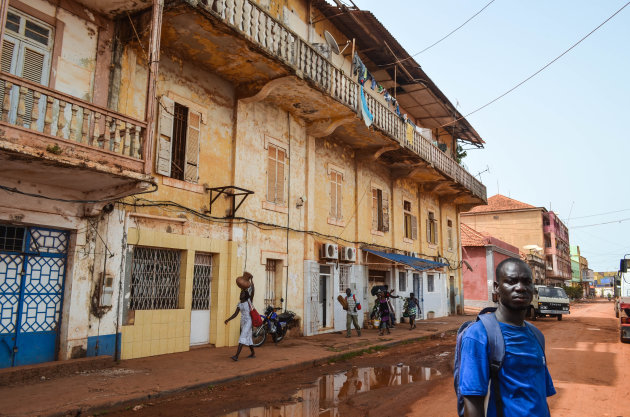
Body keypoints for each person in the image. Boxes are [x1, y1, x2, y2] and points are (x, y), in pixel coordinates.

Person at [459, 258, 555, 417]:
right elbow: (472, 401)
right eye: (511, 282)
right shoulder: (478, 335)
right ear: (497, 288)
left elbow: (539, 396)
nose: (520, 288)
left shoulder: (537, 335)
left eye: (527, 282)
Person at [224, 289, 256, 361]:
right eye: (241, 293)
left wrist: (252, 281)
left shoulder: (249, 301)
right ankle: (253, 353)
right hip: (243, 322)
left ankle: (236, 356)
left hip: (248, 321)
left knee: (242, 336)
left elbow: (253, 292)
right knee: (248, 337)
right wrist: (228, 319)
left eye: (242, 293)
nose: (241, 294)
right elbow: (235, 314)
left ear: (246, 295)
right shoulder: (240, 303)